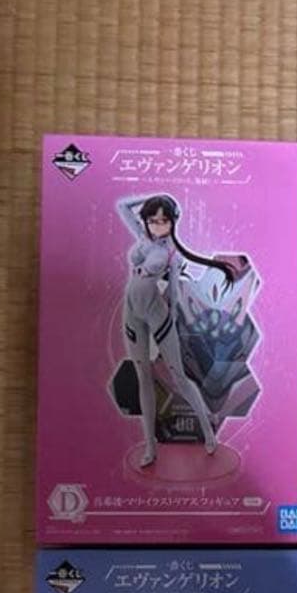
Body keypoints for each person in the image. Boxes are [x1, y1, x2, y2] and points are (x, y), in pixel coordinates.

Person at [117, 194, 234, 467]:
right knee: (143, 377)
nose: (157, 226)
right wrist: (155, 199)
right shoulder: (142, 236)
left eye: (164, 221)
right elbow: (122, 207)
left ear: (173, 222)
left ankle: (208, 433)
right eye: (152, 220)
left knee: (179, 377)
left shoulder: (172, 254)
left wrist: (171, 317)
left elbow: (172, 293)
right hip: (131, 313)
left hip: (158, 314)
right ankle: (150, 446)